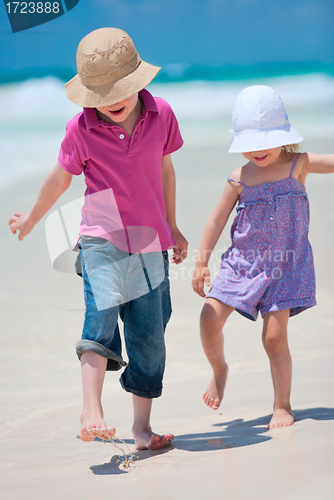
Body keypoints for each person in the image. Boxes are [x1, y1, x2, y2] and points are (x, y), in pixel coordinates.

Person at [9, 27, 188, 450]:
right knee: (101, 317)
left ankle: (142, 430)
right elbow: (61, 178)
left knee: (150, 334)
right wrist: (33, 218)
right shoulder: (81, 127)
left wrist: (173, 225)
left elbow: (165, 170)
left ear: (137, 80)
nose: (110, 101)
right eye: (100, 94)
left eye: (118, 89)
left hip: (150, 240)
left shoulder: (161, 113)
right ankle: (91, 411)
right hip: (100, 233)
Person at [192, 85, 334, 429]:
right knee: (209, 318)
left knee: (273, 337)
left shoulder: (298, 165)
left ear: (284, 136)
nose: (256, 152)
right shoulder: (239, 178)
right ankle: (219, 370)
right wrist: (201, 262)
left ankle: (282, 405)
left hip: (286, 266)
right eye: (248, 144)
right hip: (241, 264)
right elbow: (216, 219)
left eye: (264, 142)